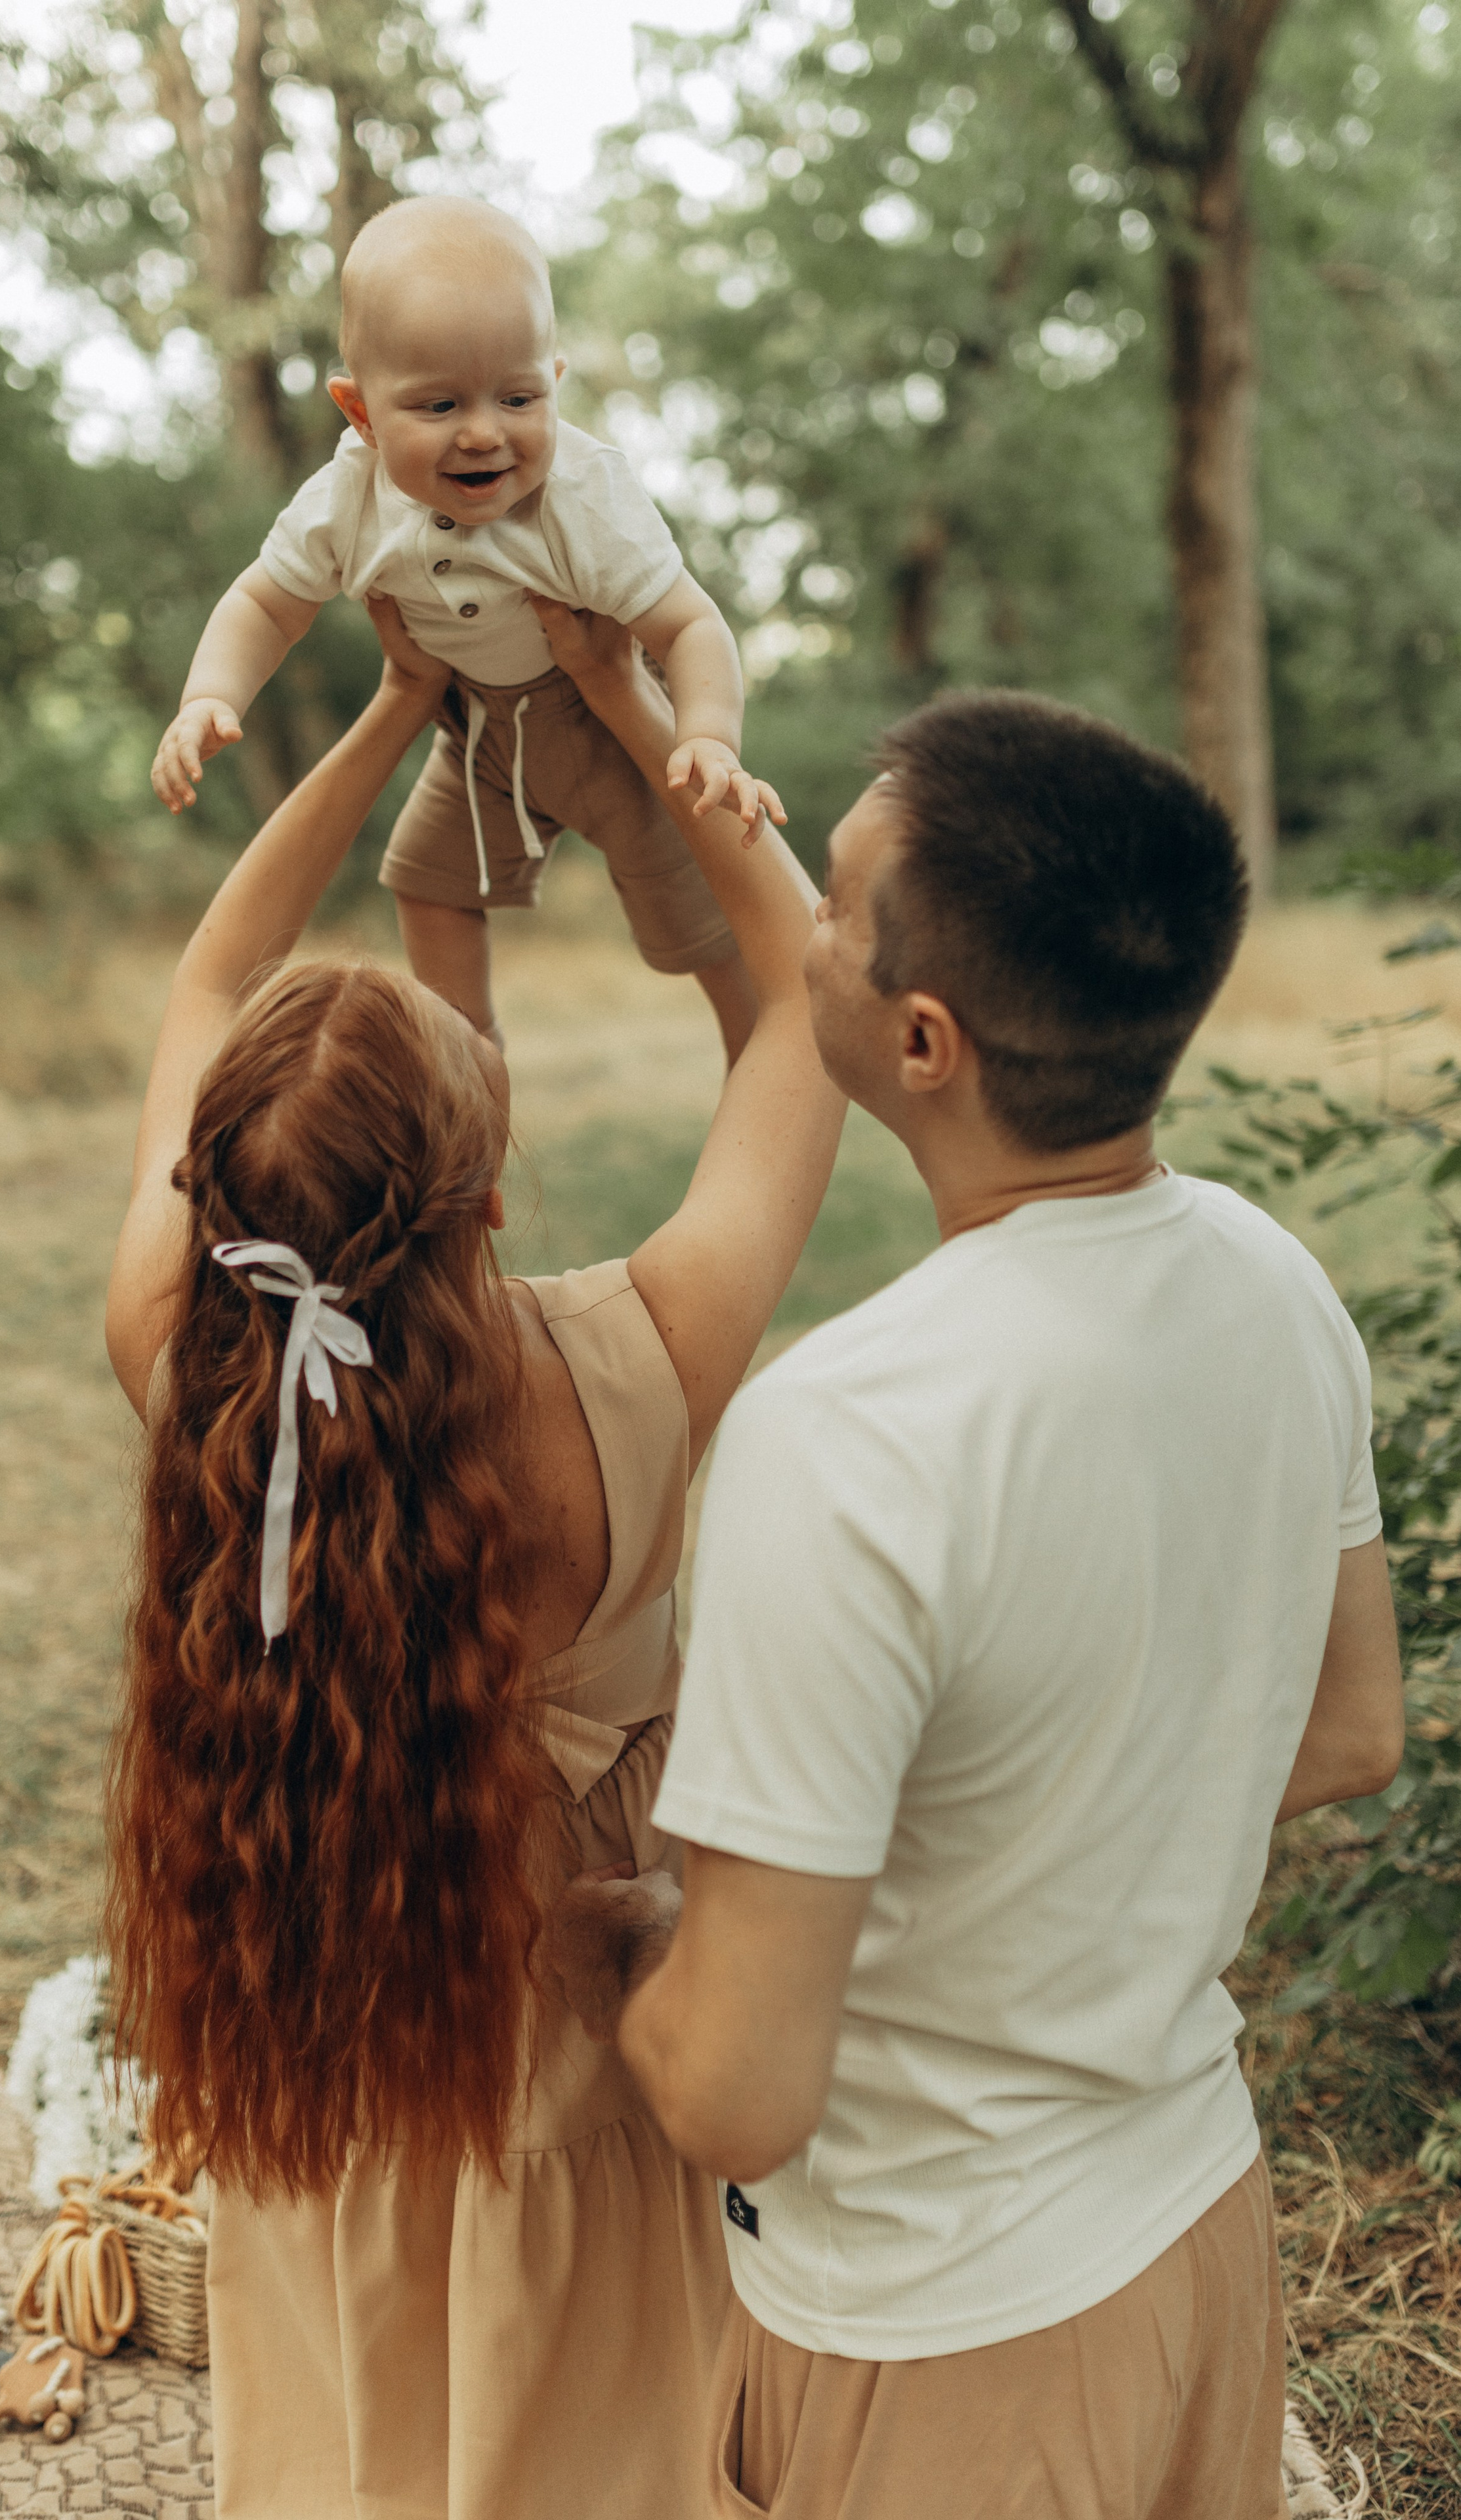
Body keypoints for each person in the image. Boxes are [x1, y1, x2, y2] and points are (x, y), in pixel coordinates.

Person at [554, 691, 1407, 2520]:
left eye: (840, 909)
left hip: (936, 2337)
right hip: (1195, 2235)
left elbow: (733, 2097)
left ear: (922, 1039)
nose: (812, 932)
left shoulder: (844, 1437)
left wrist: (631, 1950)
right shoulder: (1276, 1283)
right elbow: (1348, 1732)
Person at [103, 591, 844, 2520]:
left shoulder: (179, 1350)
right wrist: (623, 700)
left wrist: (384, 719)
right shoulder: (638, 1362)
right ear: (485, 1186)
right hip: (579, 2100)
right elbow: (804, 1019)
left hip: (323, 2070)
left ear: (216, 1187)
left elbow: (204, 995)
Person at [149, 194, 778, 1062]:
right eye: (439, 407)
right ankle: (469, 1060)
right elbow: (265, 603)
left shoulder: (585, 498)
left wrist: (709, 739)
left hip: (618, 738)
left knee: (702, 910)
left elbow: (690, 624)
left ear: (554, 384)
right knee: (426, 883)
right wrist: (209, 696)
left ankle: (761, 1047)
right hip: (475, 733)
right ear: (360, 413)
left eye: (517, 398)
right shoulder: (347, 499)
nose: (485, 433)